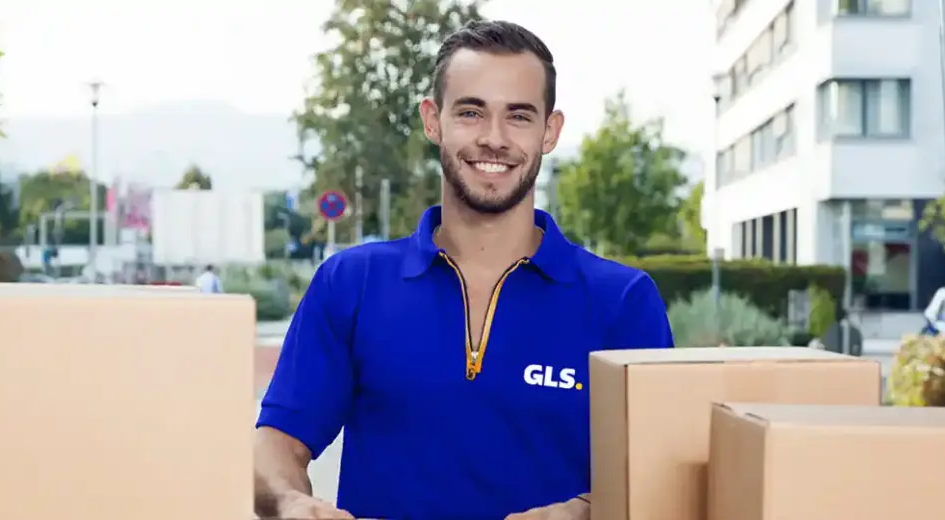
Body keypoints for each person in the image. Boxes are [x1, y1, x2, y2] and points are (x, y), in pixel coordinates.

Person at [254, 20, 674, 520]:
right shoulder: (351, 284)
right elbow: (276, 445)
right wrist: (287, 501)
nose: (493, 139)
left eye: (518, 116)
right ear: (433, 120)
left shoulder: (623, 301)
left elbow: (658, 477)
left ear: (550, 131)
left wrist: (582, 513)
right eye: (471, 112)